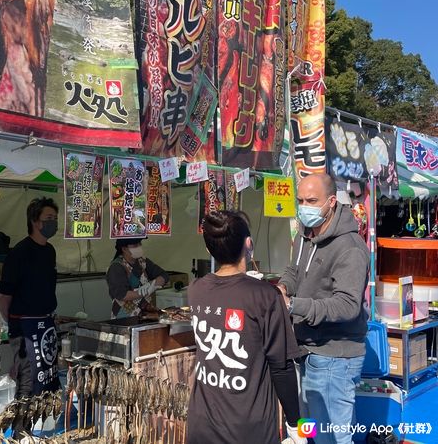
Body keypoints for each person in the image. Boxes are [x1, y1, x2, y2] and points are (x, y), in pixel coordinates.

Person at [187, 210, 306, 444]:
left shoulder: (195, 289)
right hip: (249, 427)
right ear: (248, 243)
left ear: (209, 250)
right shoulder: (265, 296)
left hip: (201, 423)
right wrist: (297, 425)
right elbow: (281, 368)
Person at [277, 173, 370, 444]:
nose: (304, 206)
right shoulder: (304, 236)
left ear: (331, 202)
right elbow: (294, 272)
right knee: (311, 434)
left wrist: (294, 305)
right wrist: (282, 288)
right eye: (301, 200)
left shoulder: (350, 247)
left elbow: (348, 305)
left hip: (334, 359)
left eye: (312, 200)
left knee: (333, 437)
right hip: (305, 352)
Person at [0, 197, 60, 397]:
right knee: (28, 380)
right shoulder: (19, 253)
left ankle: (40, 425)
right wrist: (16, 326)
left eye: (56, 218)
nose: (54, 222)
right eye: (49, 218)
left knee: (48, 378)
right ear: (35, 221)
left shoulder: (50, 251)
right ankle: (20, 427)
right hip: (24, 328)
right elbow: (3, 297)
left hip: (46, 324)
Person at [106, 237, 169, 319]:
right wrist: (141, 292)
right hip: (124, 316)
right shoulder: (116, 267)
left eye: (140, 243)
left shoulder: (143, 261)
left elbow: (164, 276)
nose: (139, 246)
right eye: (135, 245)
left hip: (146, 313)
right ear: (124, 249)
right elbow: (121, 294)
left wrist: (151, 285)